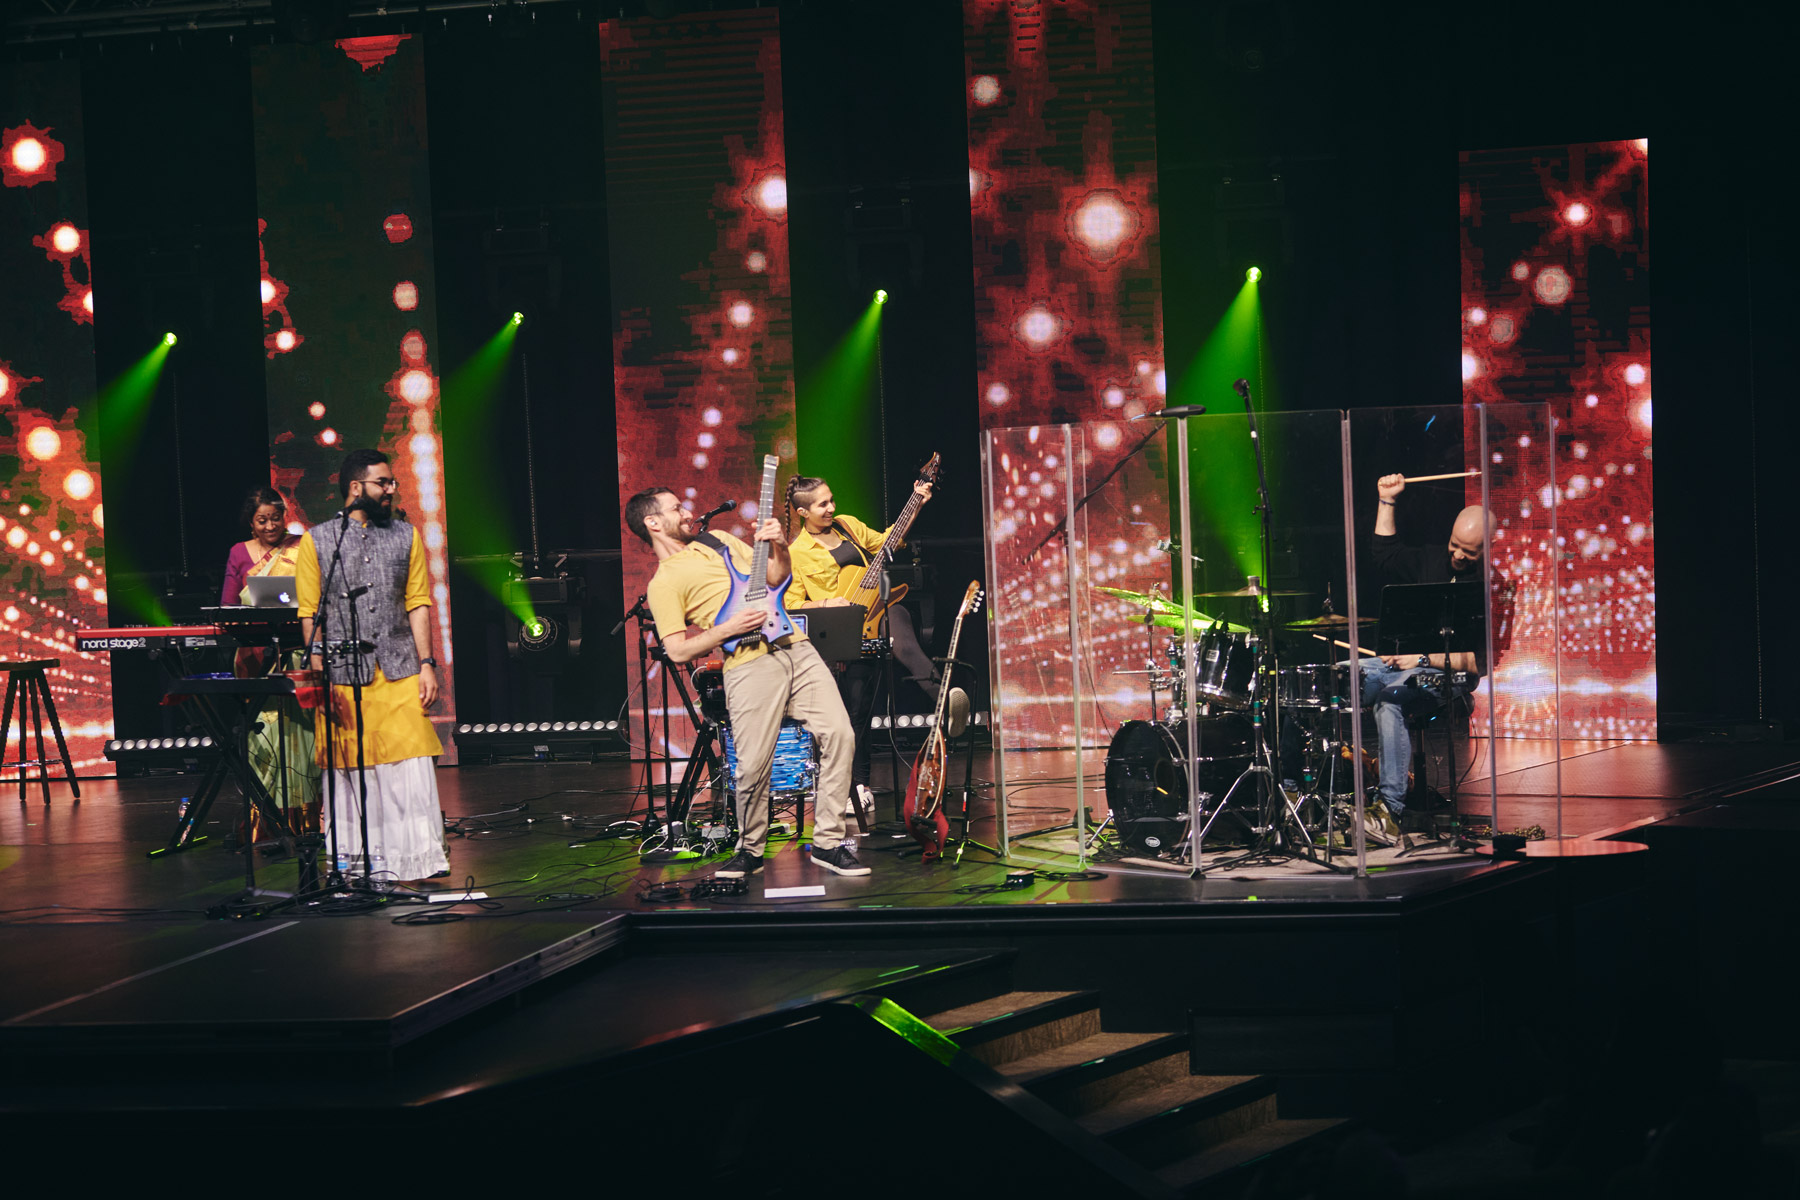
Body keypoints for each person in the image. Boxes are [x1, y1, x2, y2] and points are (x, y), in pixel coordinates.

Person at [627, 485, 864, 880]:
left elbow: (775, 577)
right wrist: (727, 629)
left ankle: (827, 842)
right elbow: (677, 650)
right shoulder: (663, 582)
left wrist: (779, 546)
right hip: (747, 664)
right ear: (652, 522)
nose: (686, 512)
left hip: (796, 647)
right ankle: (750, 850)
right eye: (676, 508)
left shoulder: (717, 539)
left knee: (841, 734)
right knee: (753, 765)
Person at [295, 449, 447, 885]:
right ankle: (358, 863)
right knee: (350, 769)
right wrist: (319, 672)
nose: (391, 490)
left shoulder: (406, 535)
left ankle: (414, 862)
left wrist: (427, 664)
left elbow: (417, 602)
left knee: (408, 762)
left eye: (392, 482)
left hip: (399, 669)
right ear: (356, 487)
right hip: (343, 676)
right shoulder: (317, 541)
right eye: (383, 482)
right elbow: (309, 614)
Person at [1354, 472, 1496, 844]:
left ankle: (1389, 811)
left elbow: (1479, 663)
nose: (1458, 555)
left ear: (1487, 550)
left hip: (1448, 675)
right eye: (1455, 545)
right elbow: (1385, 554)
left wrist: (1422, 658)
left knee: (1391, 700)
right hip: (1402, 664)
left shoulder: (1487, 589)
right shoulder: (1431, 560)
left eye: (1469, 552)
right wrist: (1387, 500)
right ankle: (1298, 795)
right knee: (1334, 678)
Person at [783, 474, 936, 819]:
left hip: (879, 608)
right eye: (822, 504)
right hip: (844, 630)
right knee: (856, 710)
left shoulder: (847, 525)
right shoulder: (796, 554)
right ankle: (859, 787)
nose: (831, 508)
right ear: (803, 512)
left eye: (831, 499)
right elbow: (792, 604)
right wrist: (827, 604)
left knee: (907, 645)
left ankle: (947, 704)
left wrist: (916, 502)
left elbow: (888, 541)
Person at [223, 486, 320, 840]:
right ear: (251, 523)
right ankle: (263, 821)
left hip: (297, 653)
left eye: (276, 518)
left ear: (284, 518)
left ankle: (305, 822)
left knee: (302, 735)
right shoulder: (239, 553)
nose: (270, 526)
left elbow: (317, 595)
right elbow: (228, 607)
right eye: (262, 520)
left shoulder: (302, 546)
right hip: (255, 657)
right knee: (263, 737)